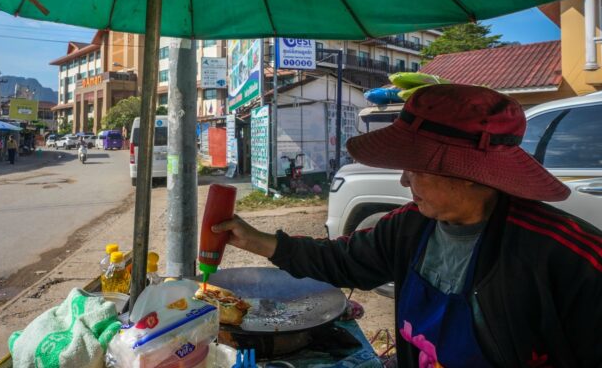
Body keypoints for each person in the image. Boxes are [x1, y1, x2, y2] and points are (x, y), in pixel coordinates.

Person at [214, 85, 601, 367]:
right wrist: (256, 240)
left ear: (468, 174)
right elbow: (343, 260)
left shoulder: (567, 257)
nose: (404, 181)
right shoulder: (412, 226)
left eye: (415, 167)